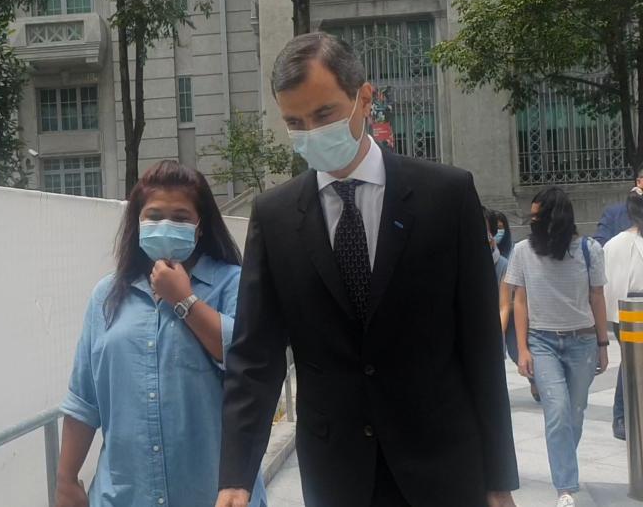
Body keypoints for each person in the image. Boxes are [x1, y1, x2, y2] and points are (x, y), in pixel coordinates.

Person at [216, 32, 519, 507]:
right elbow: (255, 358)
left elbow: (480, 345)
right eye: (295, 122)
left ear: (365, 98)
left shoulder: (446, 196)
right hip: (338, 473)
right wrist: (235, 476)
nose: (312, 133)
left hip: (443, 464)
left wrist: (498, 479)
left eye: (324, 115)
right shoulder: (275, 217)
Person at [55, 160, 267, 507]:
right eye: (153, 216)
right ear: (137, 223)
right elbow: (83, 399)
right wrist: (66, 480)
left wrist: (183, 300)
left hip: (214, 495)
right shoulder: (107, 296)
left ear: (200, 228)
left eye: (181, 218)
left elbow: (246, 359)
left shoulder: (233, 283)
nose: (165, 226)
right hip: (124, 495)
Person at [505, 187, 610, 507]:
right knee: (558, 410)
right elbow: (519, 300)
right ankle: (566, 486)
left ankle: (565, 461)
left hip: (583, 340)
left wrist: (604, 344)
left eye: (539, 217)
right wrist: (522, 348)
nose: (533, 222)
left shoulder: (590, 250)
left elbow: (596, 297)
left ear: (558, 218)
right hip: (543, 340)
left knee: (575, 414)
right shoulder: (523, 251)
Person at [594, 171, 643, 440]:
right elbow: (600, 247)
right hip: (626, 301)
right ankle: (622, 415)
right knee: (631, 361)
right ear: (638, 182)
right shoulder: (616, 214)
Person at [488, 210, 540, 403]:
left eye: (502, 228)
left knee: (517, 349)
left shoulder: (510, 255)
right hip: (498, 311)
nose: (498, 232)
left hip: (510, 311)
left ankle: (535, 379)